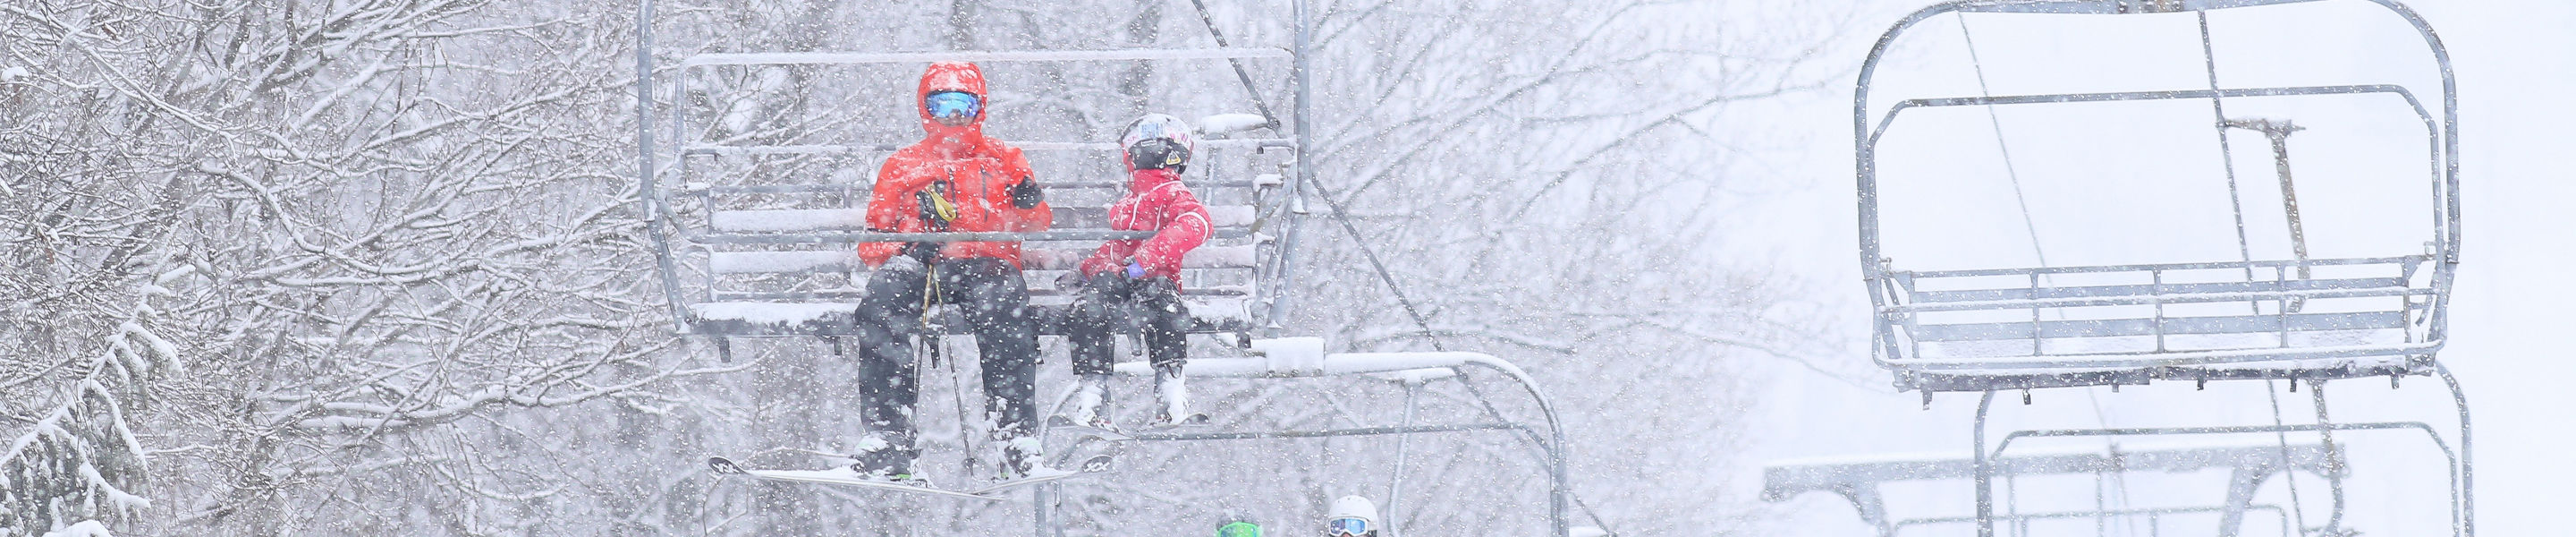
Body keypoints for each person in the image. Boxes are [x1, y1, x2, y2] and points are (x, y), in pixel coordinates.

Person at [848, 61, 1055, 482]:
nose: (953, 115)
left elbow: (1037, 225)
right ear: (926, 109)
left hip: (988, 263)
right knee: (880, 304)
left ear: (979, 107)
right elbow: (872, 245)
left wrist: (1028, 202)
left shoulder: (1004, 159)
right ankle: (889, 439)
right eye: (942, 104)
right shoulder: (904, 165)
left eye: (963, 103)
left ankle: (1015, 435)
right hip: (924, 264)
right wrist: (912, 244)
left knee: (1006, 314)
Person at [1057, 114, 1213, 430]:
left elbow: (1196, 224)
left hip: (1155, 278)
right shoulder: (1127, 203)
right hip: (1122, 278)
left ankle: (1170, 390)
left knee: (1165, 308)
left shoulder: (1172, 193)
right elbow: (1114, 249)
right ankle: (1094, 391)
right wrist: (1088, 271)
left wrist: (1148, 257)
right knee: (1089, 308)